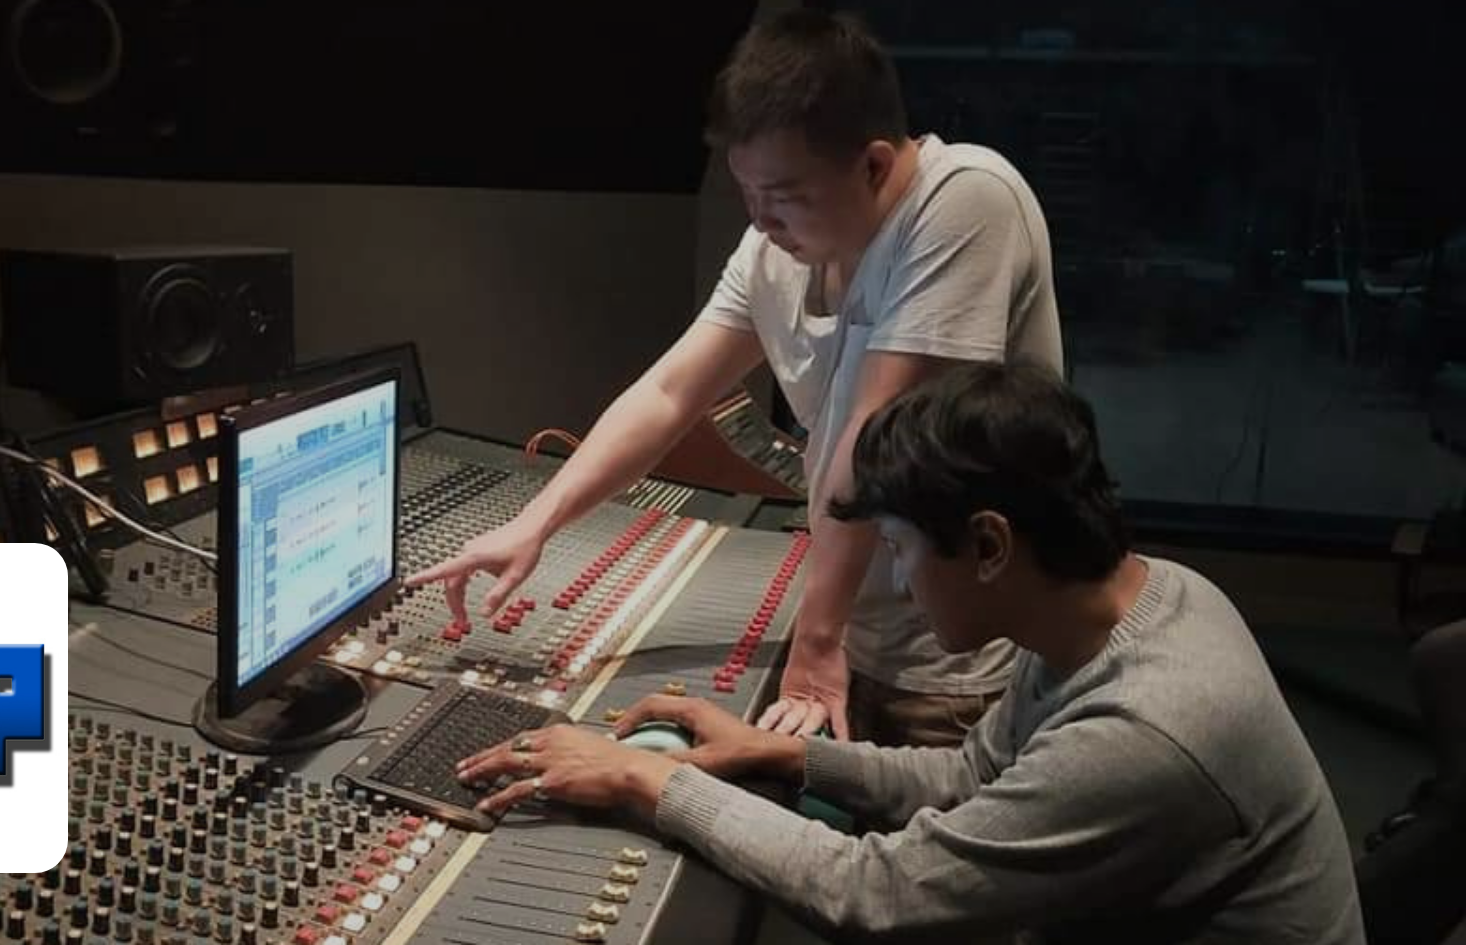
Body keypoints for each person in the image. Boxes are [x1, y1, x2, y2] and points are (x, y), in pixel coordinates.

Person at [456, 362, 1365, 944]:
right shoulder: (1142, 596)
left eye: (898, 548)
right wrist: (784, 752)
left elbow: (879, 893)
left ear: (990, 544)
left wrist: (647, 778)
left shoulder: (1143, 732)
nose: (893, 577)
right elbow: (975, 777)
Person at [408, 8, 1063, 746]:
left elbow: (875, 431)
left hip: (944, 668)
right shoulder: (772, 250)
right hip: (846, 629)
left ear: (875, 166)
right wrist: (535, 522)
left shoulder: (966, 199)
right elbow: (668, 395)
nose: (761, 221)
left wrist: (816, 639)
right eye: (747, 193)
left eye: (783, 196)